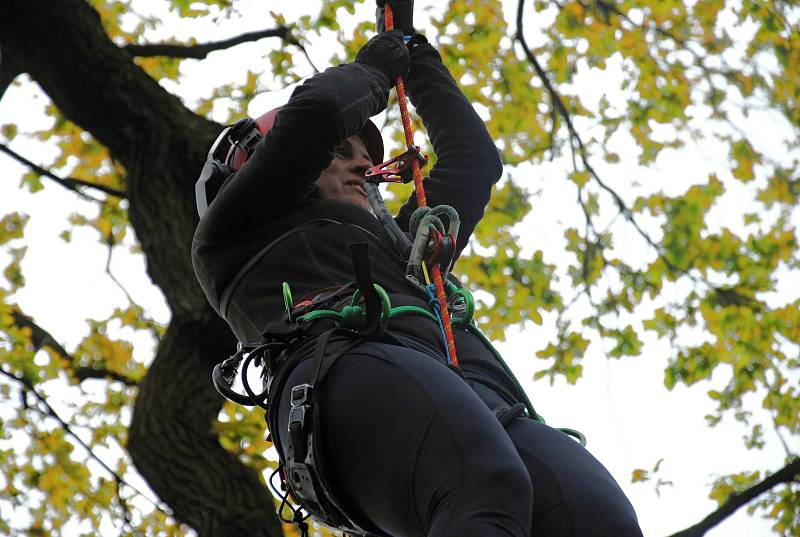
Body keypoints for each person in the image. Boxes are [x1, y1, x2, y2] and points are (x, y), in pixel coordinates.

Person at [191, 8, 644, 536]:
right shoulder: (234, 235)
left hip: (470, 393)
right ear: (253, 163)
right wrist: (374, 69)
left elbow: (475, 162)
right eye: (341, 152)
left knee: (595, 517)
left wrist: (413, 51)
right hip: (343, 370)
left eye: (366, 155)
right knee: (481, 483)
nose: (364, 165)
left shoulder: (404, 246)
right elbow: (314, 115)